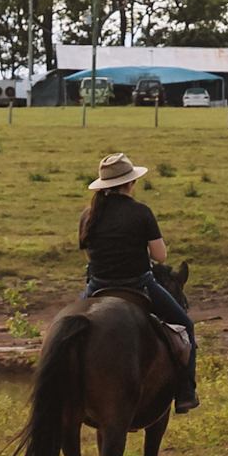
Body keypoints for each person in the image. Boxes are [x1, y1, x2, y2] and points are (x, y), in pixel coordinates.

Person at [79, 152, 198, 413]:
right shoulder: (141, 212)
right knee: (186, 327)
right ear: (130, 183)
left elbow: (89, 255)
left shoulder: (89, 215)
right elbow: (160, 256)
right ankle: (186, 392)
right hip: (138, 285)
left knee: (68, 325)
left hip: (97, 287)